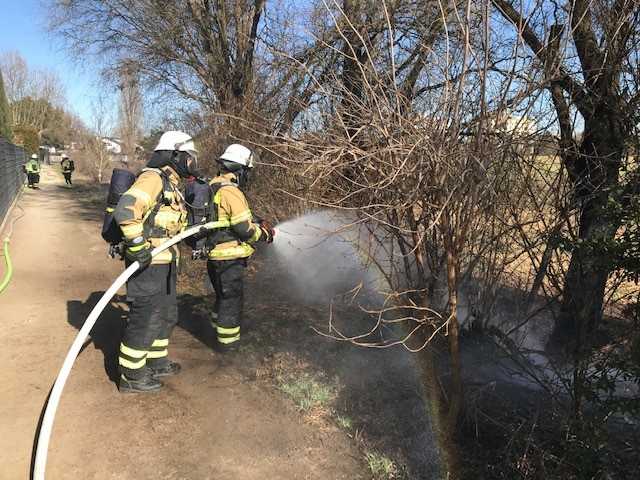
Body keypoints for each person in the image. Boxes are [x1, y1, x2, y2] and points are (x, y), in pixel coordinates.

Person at [113, 130, 197, 393]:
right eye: (188, 157)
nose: (191, 162)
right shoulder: (153, 179)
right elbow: (126, 209)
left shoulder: (171, 184)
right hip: (148, 263)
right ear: (174, 155)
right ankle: (131, 375)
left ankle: (156, 361)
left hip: (165, 261)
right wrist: (137, 246)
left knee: (166, 315)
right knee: (146, 316)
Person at [203, 144, 275, 353]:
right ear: (239, 169)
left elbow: (231, 218)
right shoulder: (230, 191)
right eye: (247, 171)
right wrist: (264, 234)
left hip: (215, 256)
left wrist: (258, 220)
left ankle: (216, 333)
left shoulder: (213, 185)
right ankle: (229, 348)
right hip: (229, 258)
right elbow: (244, 229)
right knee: (231, 301)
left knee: (223, 298)